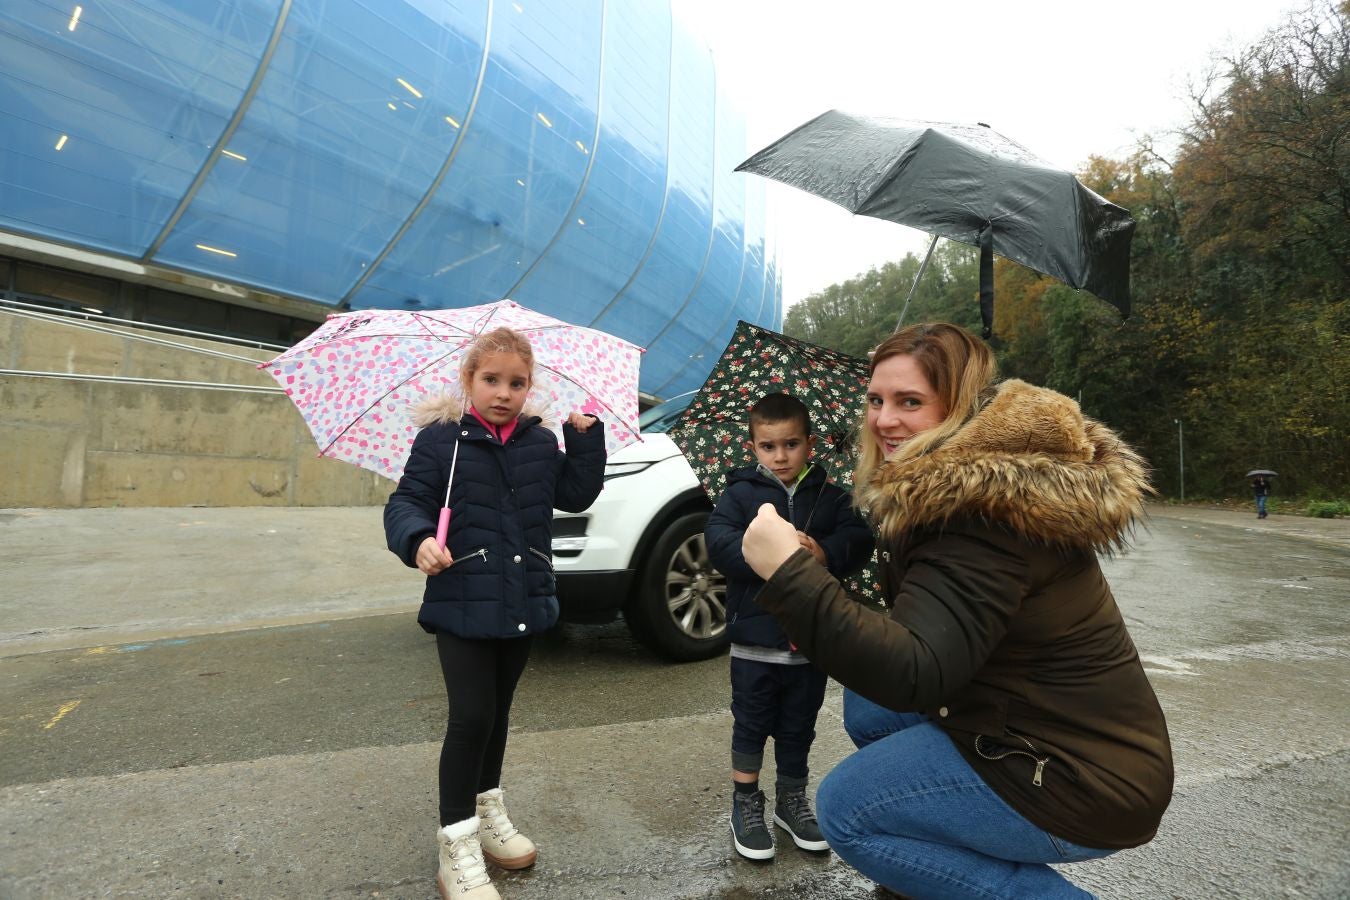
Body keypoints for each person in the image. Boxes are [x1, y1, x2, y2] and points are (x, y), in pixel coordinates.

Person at [740, 323, 1174, 899]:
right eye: (876, 400)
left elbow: (916, 671)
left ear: (958, 409)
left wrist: (789, 576)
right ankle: (929, 870)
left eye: (909, 402)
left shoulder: (980, 517)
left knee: (848, 810)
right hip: (1028, 719)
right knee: (869, 709)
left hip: (1083, 777)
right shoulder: (968, 484)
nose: (883, 420)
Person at [384, 326, 605, 900]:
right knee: (470, 718)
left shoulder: (539, 443)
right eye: (491, 380)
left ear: (530, 387)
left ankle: (487, 814)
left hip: (524, 597)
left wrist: (585, 440)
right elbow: (406, 502)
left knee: (499, 714)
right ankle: (455, 844)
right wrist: (416, 541)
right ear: (469, 380)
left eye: (516, 382)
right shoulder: (442, 442)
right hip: (461, 598)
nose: (503, 392)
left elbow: (576, 495)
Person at [705, 392, 875, 861]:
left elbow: (858, 539)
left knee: (799, 725)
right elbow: (718, 543)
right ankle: (746, 801)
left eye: (791, 445)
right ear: (753, 447)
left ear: (810, 444)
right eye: (768, 446)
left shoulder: (832, 494)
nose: (780, 456)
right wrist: (769, 552)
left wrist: (821, 552)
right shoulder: (738, 494)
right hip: (755, 640)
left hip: (810, 639)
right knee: (752, 722)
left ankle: (791, 800)